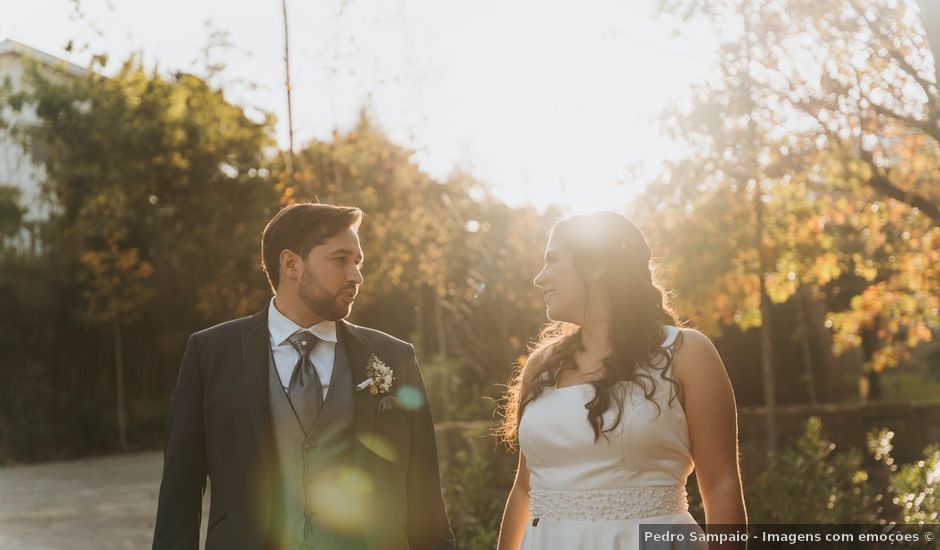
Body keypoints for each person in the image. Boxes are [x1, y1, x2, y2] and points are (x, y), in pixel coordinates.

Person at [153, 202, 455, 550]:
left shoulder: (393, 357)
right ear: (291, 264)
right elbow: (180, 493)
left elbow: (425, 495)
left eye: (357, 262)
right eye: (340, 259)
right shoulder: (209, 354)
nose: (356, 275)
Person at [496, 211, 746, 549]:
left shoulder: (687, 353)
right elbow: (525, 488)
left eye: (552, 261)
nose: (540, 278)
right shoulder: (541, 367)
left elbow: (721, 485)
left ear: (596, 265)